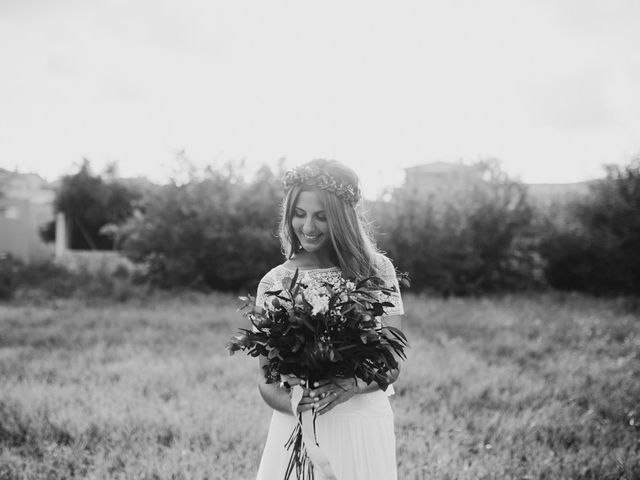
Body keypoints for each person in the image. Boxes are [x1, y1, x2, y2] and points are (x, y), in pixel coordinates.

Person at [254, 159, 405, 480]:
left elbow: (391, 363)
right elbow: (266, 380)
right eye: (299, 213)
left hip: (363, 419)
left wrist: (352, 385)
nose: (308, 226)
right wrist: (295, 402)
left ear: (342, 217)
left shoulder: (377, 270)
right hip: (301, 421)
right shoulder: (274, 282)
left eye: (321, 216)